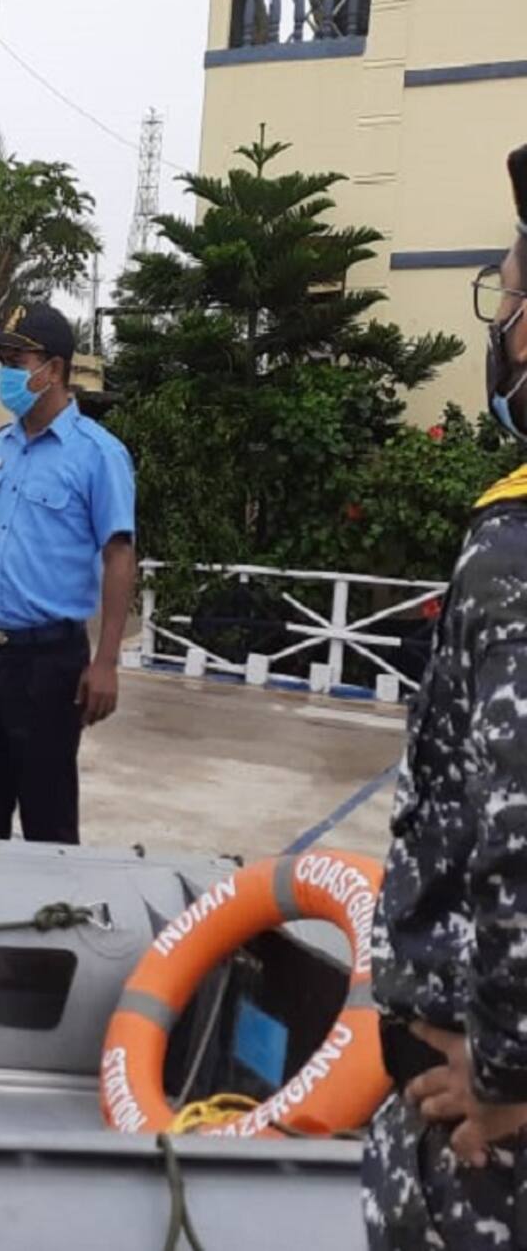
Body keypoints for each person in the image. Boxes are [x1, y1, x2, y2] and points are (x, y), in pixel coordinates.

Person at [362, 150, 527, 1250]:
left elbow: (517, 833)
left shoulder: (512, 556)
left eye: (507, 293)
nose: (501, 325)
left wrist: (509, 1071)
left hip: (482, 1133)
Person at [0, 301, 134, 845]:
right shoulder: (0, 446)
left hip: (49, 665)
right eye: (5, 359)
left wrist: (106, 661)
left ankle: (47, 925)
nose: (7, 372)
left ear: (54, 369)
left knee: (47, 817)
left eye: (17, 360)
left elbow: (118, 557)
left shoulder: (97, 456)